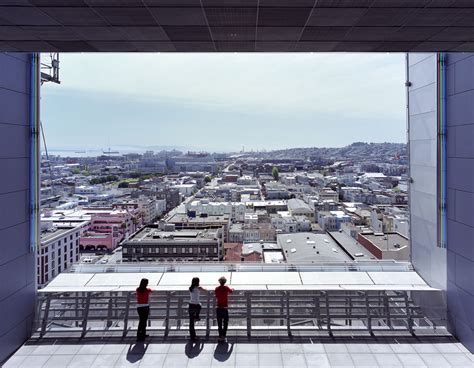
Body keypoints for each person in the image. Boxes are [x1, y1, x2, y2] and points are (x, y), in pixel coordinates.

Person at [214, 276, 233, 342]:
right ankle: (223, 336)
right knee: (225, 322)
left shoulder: (216, 288)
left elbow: (216, 295)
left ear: (219, 282)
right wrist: (233, 289)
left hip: (218, 308)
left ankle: (220, 336)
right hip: (225, 308)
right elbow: (231, 291)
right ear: (225, 282)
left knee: (219, 323)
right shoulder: (226, 288)